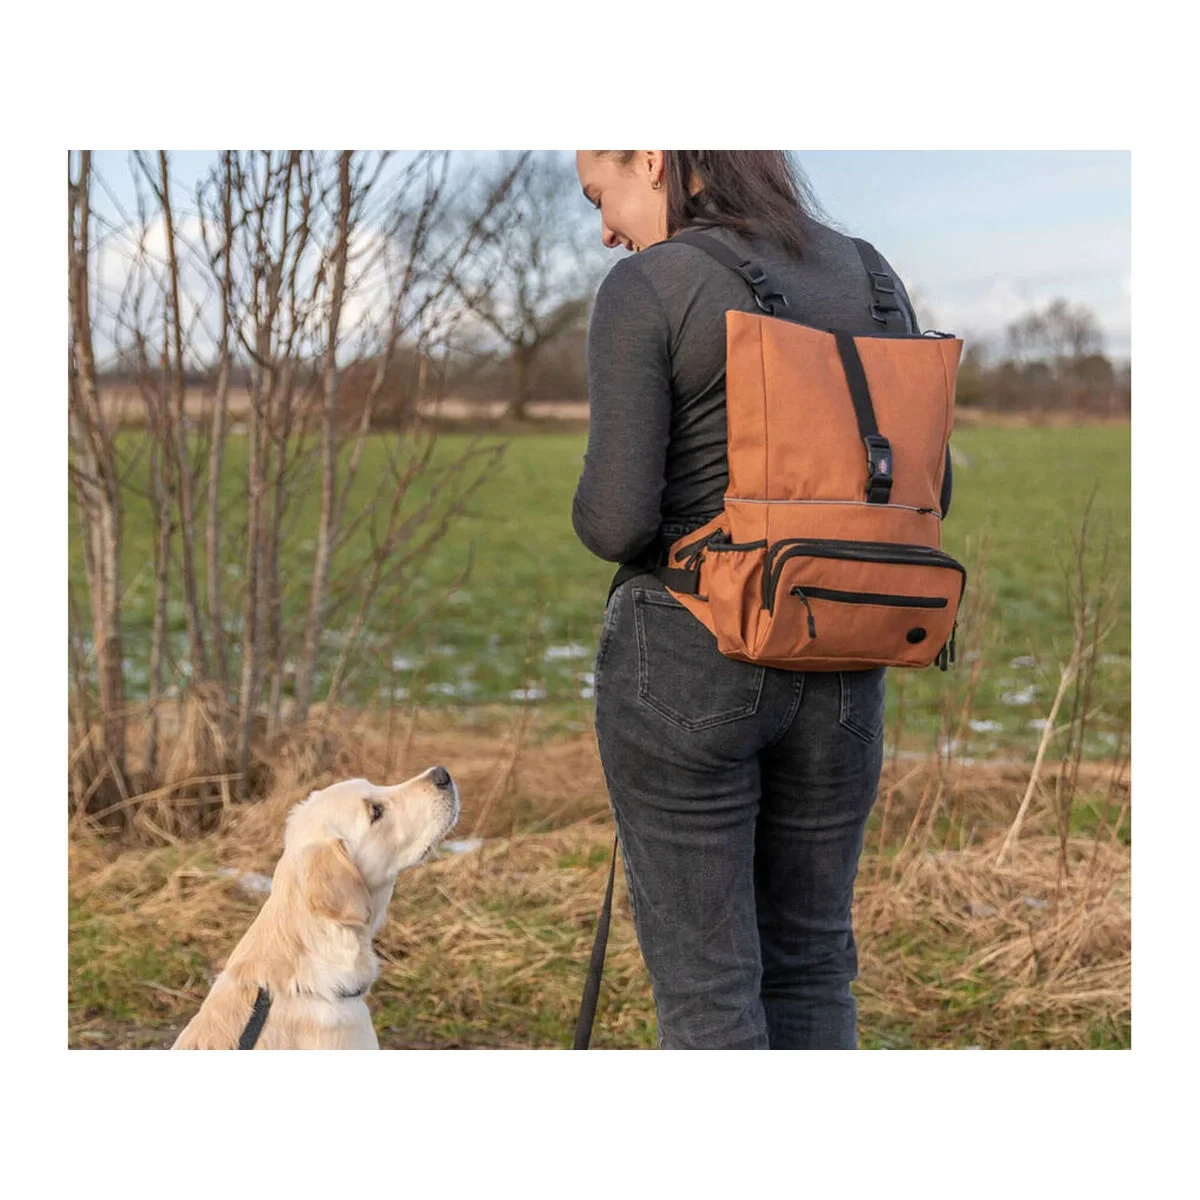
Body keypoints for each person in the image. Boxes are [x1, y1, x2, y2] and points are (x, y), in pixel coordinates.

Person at [571, 150, 952, 1050]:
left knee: (710, 993)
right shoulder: (872, 277)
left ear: (653, 159)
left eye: (601, 195)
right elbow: (923, 494)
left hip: (691, 656)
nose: (606, 229)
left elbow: (617, 522)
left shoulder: (652, 285)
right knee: (813, 965)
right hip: (844, 651)